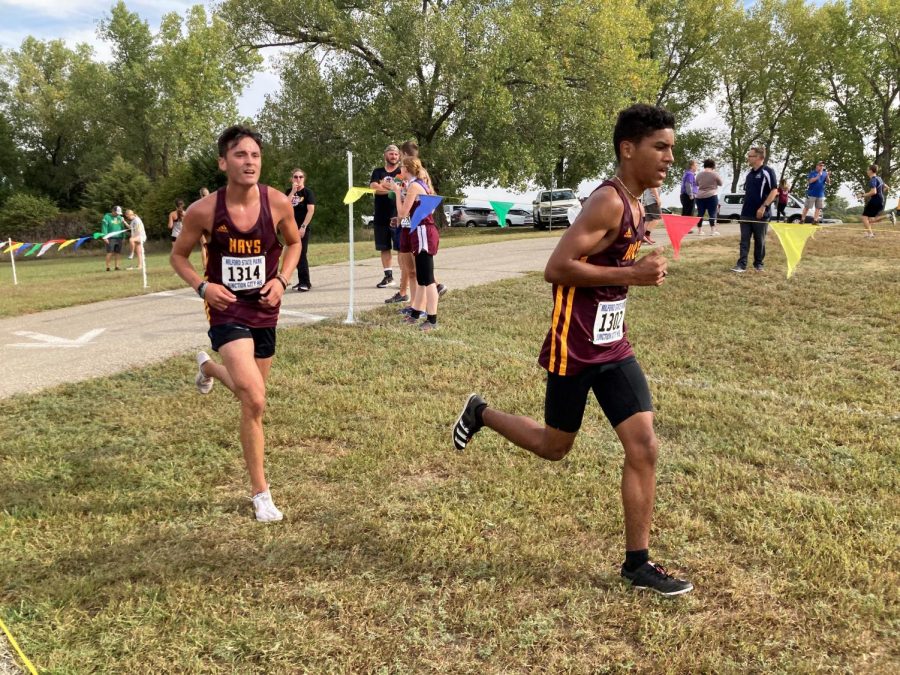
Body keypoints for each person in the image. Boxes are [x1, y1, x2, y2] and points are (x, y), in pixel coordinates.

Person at [452, 103, 693, 596]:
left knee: (644, 446)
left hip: (614, 347)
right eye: (660, 147)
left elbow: (615, 256)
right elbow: (557, 267)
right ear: (629, 149)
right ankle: (480, 412)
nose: (670, 156)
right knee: (554, 447)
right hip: (575, 348)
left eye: (671, 147)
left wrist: (640, 261)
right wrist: (633, 273)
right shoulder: (606, 201)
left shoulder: (639, 200)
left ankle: (637, 566)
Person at [170, 125, 301, 523]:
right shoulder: (205, 210)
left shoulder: (278, 203)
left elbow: (294, 243)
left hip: (265, 307)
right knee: (256, 396)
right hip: (226, 309)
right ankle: (261, 493)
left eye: (255, 155)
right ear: (223, 162)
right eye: (240, 155)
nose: (249, 162)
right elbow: (178, 257)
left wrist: (281, 280)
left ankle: (208, 367)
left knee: (251, 402)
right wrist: (203, 287)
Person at [386, 155, 441, 331]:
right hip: (418, 232)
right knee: (421, 278)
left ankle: (432, 320)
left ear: (407, 169)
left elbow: (403, 212)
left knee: (428, 279)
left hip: (424, 232)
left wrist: (396, 192)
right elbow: (407, 217)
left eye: (401, 167)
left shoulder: (415, 186)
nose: (399, 170)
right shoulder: (414, 185)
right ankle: (416, 313)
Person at [731, 147, 777, 273]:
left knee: (759, 240)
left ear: (759, 158)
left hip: (761, 214)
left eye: (750, 156)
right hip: (746, 213)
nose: (748, 158)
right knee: (744, 240)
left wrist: (763, 206)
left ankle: (758, 264)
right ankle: (741, 265)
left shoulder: (768, 171)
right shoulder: (749, 174)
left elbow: (774, 191)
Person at [370, 145, 401, 289]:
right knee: (384, 247)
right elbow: (373, 188)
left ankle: (406, 277)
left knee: (402, 248)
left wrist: (384, 186)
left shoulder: (402, 171)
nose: (393, 156)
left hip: (399, 214)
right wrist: (391, 188)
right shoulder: (378, 171)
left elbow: (400, 191)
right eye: (391, 154)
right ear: (385, 155)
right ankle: (388, 277)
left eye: (396, 154)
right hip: (380, 215)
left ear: (399, 156)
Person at [286, 168, 316, 291]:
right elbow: (284, 206)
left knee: (301, 253)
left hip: (302, 228)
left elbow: (311, 210)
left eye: (300, 177)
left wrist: (303, 227)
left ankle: (306, 283)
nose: (298, 179)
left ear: (304, 179)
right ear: (292, 179)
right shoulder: (289, 192)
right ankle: (300, 281)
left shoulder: (307, 193)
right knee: (294, 254)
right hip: (290, 228)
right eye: (295, 177)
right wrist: (293, 191)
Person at [858, 164, 888, 238]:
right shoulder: (879, 178)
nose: (867, 171)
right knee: (870, 219)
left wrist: (862, 195)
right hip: (880, 199)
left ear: (871, 171)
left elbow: (873, 192)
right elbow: (886, 187)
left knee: (864, 217)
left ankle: (870, 234)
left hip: (875, 200)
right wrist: (880, 193)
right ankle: (888, 216)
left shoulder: (873, 180)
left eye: (868, 170)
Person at [695, 159, 723, 235]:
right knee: (712, 213)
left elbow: (696, 184)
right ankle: (713, 231)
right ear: (713, 166)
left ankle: (699, 231)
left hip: (699, 196)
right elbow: (721, 183)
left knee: (700, 213)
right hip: (711, 195)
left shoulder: (699, 174)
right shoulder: (715, 174)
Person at [101, 205, 127, 271]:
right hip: (110, 237)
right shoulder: (106, 217)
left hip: (119, 237)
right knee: (109, 252)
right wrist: (105, 237)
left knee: (117, 252)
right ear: (113, 211)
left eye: (119, 213)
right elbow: (104, 227)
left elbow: (122, 228)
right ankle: (108, 267)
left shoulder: (120, 218)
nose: (117, 214)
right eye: (116, 213)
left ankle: (117, 266)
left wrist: (123, 236)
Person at [198, 188, 211, 269]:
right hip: (209, 225)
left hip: (200, 225)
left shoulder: (198, 204)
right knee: (208, 245)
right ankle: (208, 264)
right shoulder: (210, 203)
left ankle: (205, 265)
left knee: (203, 245)